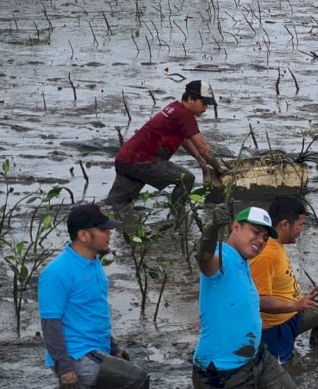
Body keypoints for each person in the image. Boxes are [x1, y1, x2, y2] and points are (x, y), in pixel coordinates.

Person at [39, 204, 151, 389]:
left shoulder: (94, 263)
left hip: (97, 350)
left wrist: (113, 348)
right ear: (83, 236)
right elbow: (50, 325)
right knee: (136, 381)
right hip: (77, 355)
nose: (109, 234)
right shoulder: (56, 272)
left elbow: (94, 312)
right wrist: (65, 369)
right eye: (103, 230)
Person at [192, 206, 295, 389]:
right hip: (222, 373)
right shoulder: (221, 257)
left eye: (265, 237)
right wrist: (213, 227)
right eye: (255, 232)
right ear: (236, 227)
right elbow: (204, 259)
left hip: (257, 356)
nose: (260, 240)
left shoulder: (243, 261)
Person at [106, 80, 226, 215]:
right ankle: (178, 217)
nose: (205, 108)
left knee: (116, 205)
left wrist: (199, 159)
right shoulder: (184, 115)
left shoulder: (175, 108)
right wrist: (219, 169)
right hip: (142, 161)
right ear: (191, 99)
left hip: (125, 160)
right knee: (186, 179)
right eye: (203, 103)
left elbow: (184, 138)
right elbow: (204, 149)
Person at [250, 196, 318, 364]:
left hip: (293, 315)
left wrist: (299, 301)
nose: (302, 230)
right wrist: (295, 305)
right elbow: (259, 301)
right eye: (300, 225)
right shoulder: (266, 255)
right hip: (275, 328)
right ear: (284, 225)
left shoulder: (278, 245)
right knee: (281, 372)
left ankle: (316, 356)